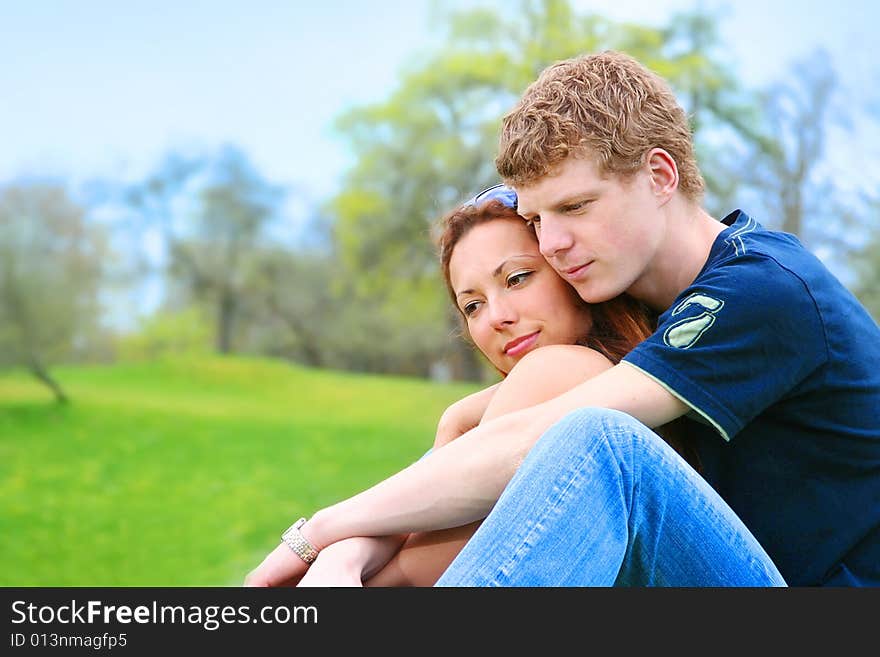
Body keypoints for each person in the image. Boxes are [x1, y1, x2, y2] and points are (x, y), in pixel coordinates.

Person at [247, 51, 879, 587]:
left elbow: (544, 437)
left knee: (603, 444)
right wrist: (352, 546)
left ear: (660, 175)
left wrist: (324, 530)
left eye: (575, 206)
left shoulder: (763, 289)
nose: (552, 243)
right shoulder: (651, 312)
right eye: (539, 218)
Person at [301, 186, 695, 586]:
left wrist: (331, 550)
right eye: (473, 305)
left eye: (517, 278)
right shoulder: (611, 375)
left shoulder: (562, 368)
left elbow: (404, 581)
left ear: (569, 269)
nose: (496, 318)